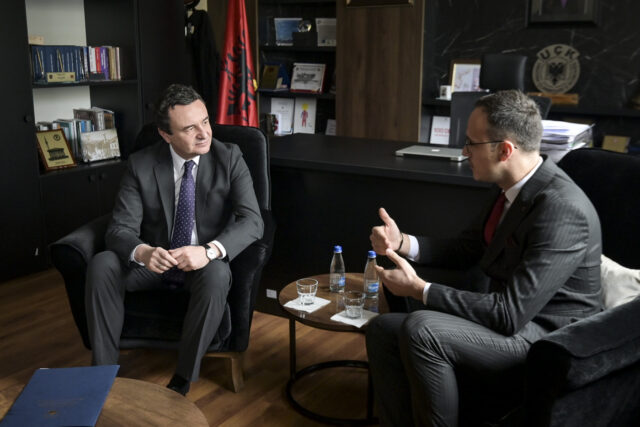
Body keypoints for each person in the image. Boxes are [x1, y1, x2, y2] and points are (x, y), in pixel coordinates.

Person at [367, 90, 602, 426]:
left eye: (471, 143)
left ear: (505, 150)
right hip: (514, 320)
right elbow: (468, 248)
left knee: (422, 329)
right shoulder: (510, 188)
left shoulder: (562, 209)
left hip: (548, 338)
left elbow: (509, 314)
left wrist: (420, 289)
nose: (464, 152)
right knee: (383, 329)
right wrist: (402, 242)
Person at [85, 84, 263, 396]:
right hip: (153, 263)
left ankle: (183, 378)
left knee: (218, 272)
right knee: (103, 264)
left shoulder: (230, 157)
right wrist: (143, 252)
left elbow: (253, 220)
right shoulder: (141, 164)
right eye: (190, 128)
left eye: (205, 121)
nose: (204, 134)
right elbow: (120, 229)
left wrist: (208, 251)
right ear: (166, 135)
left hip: (200, 265)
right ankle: (101, 375)